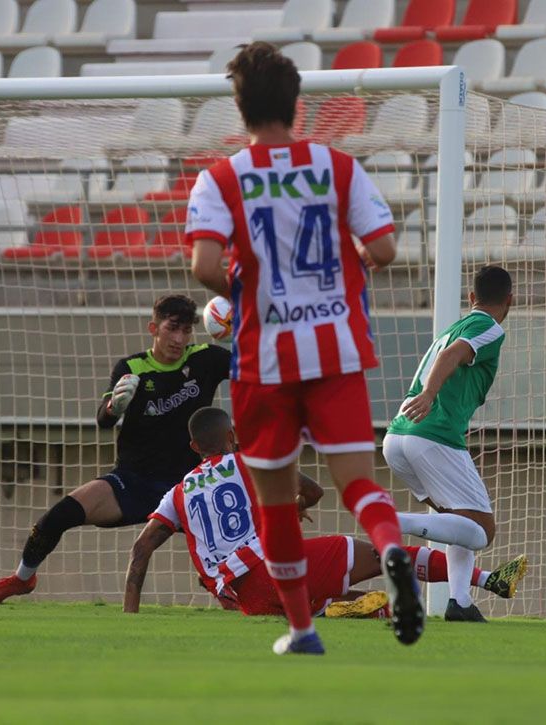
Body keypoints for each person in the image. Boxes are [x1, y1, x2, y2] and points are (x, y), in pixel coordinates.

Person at [189, 42, 421, 655]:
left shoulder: (221, 179)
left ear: (239, 107)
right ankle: (394, 552)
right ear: (297, 105)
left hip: (264, 359)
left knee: (277, 505)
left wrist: (244, 294)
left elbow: (204, 264)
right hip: (336, 350)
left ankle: (301, 631)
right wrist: (361, 262)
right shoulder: (338, 167)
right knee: (358, 486)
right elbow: (388, 249)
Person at [122, 408, 529, 622]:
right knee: (382, 556)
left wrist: (131, 617)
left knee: (375, 606)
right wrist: (297, 507)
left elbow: (140, 550)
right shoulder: (252, 461)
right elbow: (312, 491)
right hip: (275, 571)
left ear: (194, 447)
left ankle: (334, 609)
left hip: (243, 599)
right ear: (232, 436)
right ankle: (490, 580)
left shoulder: (177, 493)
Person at [0, 295, 231, 604]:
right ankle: (21, 580)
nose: (179, 338)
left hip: (188, 485)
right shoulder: (131, 368)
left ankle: (240, 590)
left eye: (186, 330)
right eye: (172, 328)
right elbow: (103, 420)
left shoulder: (206, 359)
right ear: (154, 328)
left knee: (237, 535)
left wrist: (244, 325)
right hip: (133, 481)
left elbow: (255, 367)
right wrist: (114, 406)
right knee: (56, 517)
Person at [383, 266, 514, 623]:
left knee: (459, 521)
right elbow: (452, 356)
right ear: (509, 301)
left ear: (471, 297)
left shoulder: (453, 325)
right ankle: (389, 520)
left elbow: (445, 353)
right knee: (482, 530)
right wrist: (430, 394)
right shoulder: (488, 326)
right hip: (433, 435)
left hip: (398, 437)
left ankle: (460, 602)